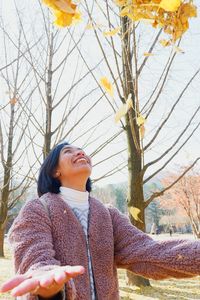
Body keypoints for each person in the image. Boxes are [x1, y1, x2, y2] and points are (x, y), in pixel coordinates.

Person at [0, 142, 199, 300]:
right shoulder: (37, 209)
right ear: (54, 171)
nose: (80, 153)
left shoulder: (108, 214)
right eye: (69, 151)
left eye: (82, 151)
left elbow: (150, 253)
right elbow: (35, 259)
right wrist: (48, 283)